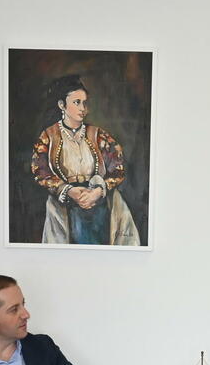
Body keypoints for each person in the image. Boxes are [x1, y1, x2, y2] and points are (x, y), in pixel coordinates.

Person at [30, 74, 141, 245]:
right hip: (65, 205)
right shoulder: (49, 136)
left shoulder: (98, 135)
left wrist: (98, 191)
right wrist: (68, 191)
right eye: (77, 102)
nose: (83, 108)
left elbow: (118, 168)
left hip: (100, 202)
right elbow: (40, 171)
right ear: (62, 105)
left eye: (84, 103)